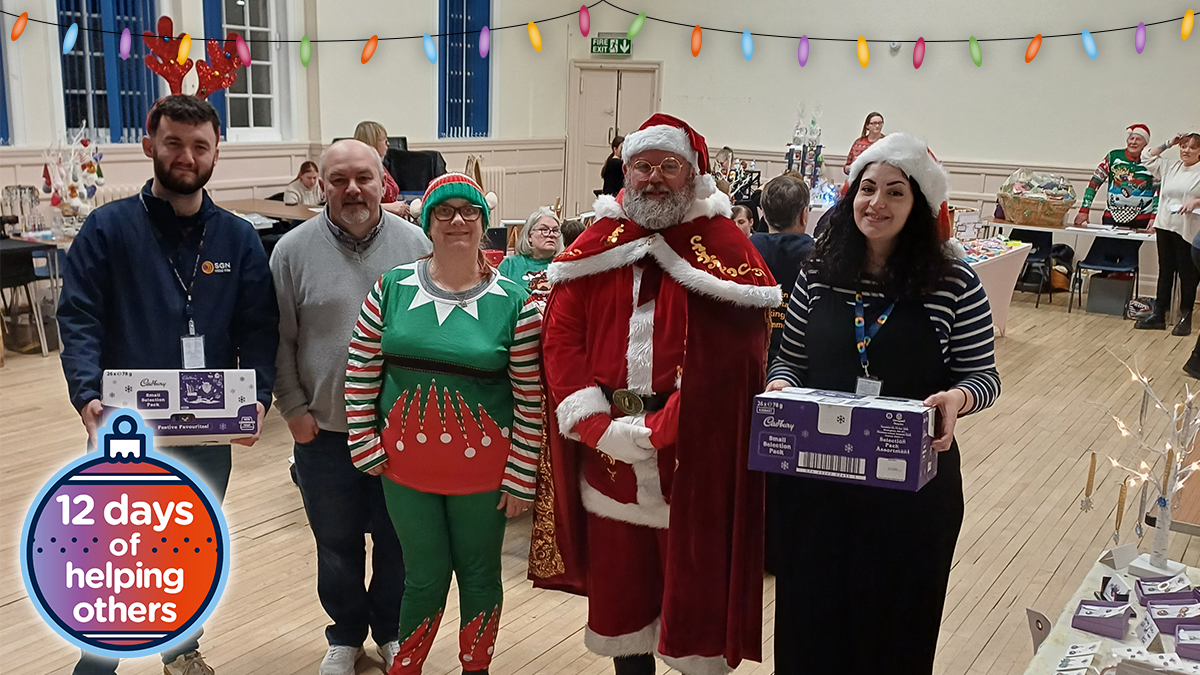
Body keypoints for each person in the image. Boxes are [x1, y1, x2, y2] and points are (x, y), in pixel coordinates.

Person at [531, 114, 778, 675]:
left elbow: (735, 363)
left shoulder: (725, 248)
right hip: (608, 457)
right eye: (642, 166)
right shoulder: (598, 245)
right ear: (625, 171)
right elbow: (562, 338)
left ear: (694, 175)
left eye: (669, 166)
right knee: (623, 608)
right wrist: (599, 426)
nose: (653, 179)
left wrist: (664, 428)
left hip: (694, 458)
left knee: (696, 609)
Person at [57, 94, 279, 675]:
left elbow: (258, 327)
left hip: (207, 427)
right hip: (123, 426)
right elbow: (79, 315)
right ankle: (98, 659)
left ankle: (181, 650)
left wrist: (258, 397)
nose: (186, 156)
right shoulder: (107, 229)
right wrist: (87, 395)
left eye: (199, 145)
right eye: (174, 142)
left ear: (215, 152)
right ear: (149, 144)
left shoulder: (236, 238)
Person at [765, 133, 1001, 675]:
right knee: (810, 625)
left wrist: (957, 398)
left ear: (918, 203)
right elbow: (788, 358)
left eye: (896, 192)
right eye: (867, 188)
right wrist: (780, 385)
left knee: (895, 632)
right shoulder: (818, 271)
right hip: (816, 481)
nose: (878, 203)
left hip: (910, 492)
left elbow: (984, 376)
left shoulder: (954, 281)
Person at [345, 173, 543, 674]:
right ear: (428, 222)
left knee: (479, 575)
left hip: (486, 473)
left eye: (469, 211)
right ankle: (405, 669)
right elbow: (362, 365)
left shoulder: (517, 303)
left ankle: (476, 669)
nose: (457, 220)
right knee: (424, 577)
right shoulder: (390, 288)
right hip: (403, 468)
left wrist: (522, 475)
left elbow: (529, 396)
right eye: (445, 211)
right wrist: (363, 439)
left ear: (486, 224)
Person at [272, 140, 432, 675]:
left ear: (382, 179)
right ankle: (344, 634)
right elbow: (280, 340)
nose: (352, 190)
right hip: (324, 431)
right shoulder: (291, 252)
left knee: (396, 540)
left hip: (399, 433)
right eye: (339, 180)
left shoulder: (416, 246)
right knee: (335, 543)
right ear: (321, 184)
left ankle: (389, 629)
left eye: (363, 178)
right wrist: (293, 408)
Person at [1137, 133, 1200, 334]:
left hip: (1187, 229)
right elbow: (1146, 157)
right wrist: (1168, 143)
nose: (1186, 151)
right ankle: (1159, 313)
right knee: (1165, 271)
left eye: (1192, 148)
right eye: (1183, 146)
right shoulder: (1171, 166)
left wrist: (1196, 202)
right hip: (1165, 224)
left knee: (1187, 274)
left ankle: (1185, 315)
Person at [750, 174, 815, 363]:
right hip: (799, 362)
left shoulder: (746, 252)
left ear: (764, 215)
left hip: (753, 357)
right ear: (804, 215)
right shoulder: (818, 258)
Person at [1074, 124, 1160, 230]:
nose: (1133, 142)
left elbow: (1158, 191)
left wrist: (1154, 217)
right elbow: (1094, 183)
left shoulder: (1153, 161)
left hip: (1142, 219)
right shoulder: (1113, 157)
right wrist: (1084, 210)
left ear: (1145, 143)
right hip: (1111, 217)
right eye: (1131, 138)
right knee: (1101, 247)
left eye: (1138, 139)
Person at [354, 120, 410, 219]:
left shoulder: (380, 166)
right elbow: (357, 206)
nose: (388, 144)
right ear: (373, 142)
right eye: (384, 140)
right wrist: (390, 207)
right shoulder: (360, 170)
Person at [498, 207, 562, 289]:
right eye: (544, 229)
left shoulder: (563, 266)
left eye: (555, 230)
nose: (551, 234)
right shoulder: (510, 265)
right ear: (529, 236)